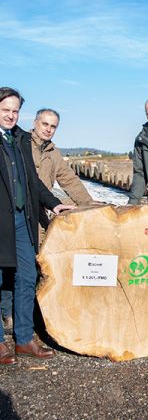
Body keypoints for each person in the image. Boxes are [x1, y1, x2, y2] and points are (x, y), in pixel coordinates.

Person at [0, 87, 74, 365]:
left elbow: (33, 181)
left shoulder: (18, 139)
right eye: (5, 109)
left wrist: (55, 204)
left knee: (27, 276)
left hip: (22, 219)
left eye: (14, 110)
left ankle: (23, 339)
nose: (10, 115)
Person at [0, 108, 94, 329]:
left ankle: (32, 313)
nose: (48, 129)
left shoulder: (53, 152)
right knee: (9, 265)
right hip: (16, 212)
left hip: (40, 213)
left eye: (53, 126)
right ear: (35, 123)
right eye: (45, 124)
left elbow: (68, 179)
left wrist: (89, 205)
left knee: (36, 265)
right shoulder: (22, 143)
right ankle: (7, 313)